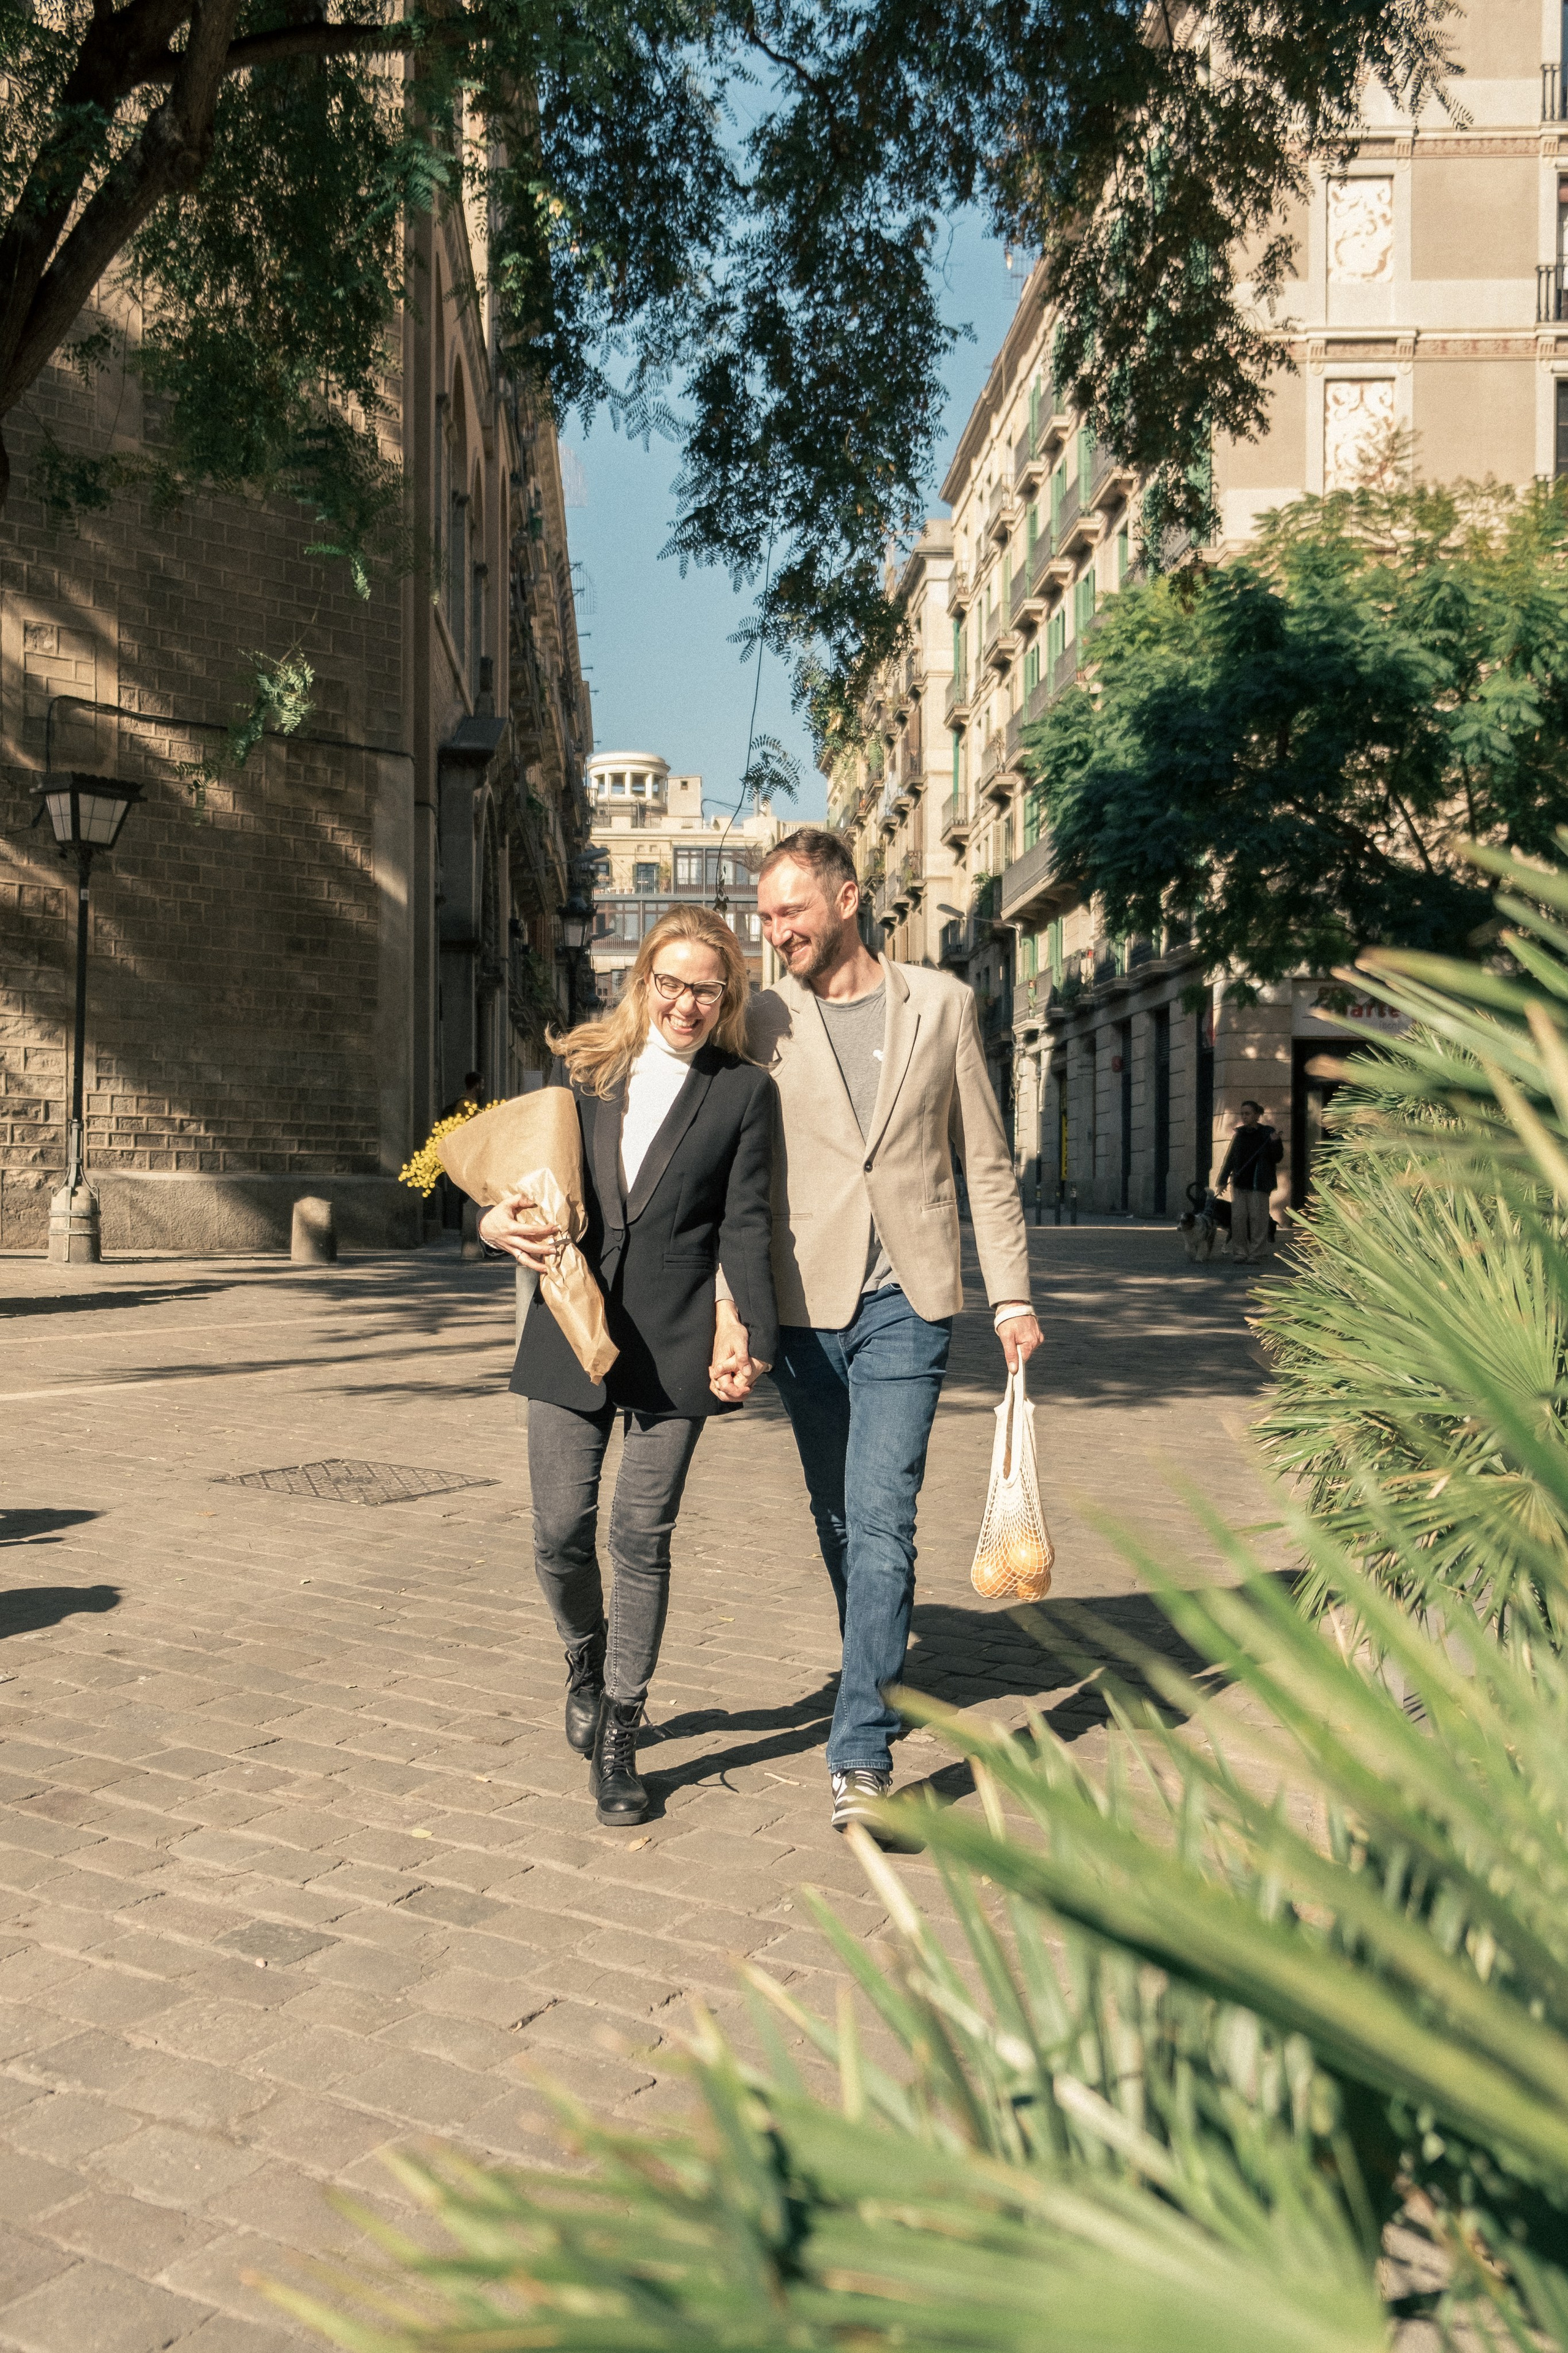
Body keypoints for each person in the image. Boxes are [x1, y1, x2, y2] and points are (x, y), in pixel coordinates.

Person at [739, 828, 1041, 1834]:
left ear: (848, 899)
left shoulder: (942, 1006)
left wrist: (1012, 1297)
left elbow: (985, 1165)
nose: (776, 932)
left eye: (792, 911)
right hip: (798, 1307)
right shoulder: (763, 1017)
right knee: (838, 1521)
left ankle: (859, 1744)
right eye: (767, 915)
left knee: (882, 1521)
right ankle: (879, 1650)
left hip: (908, 1305)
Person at [478, 907, 777, 1827]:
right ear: (643, 980)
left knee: (641, 1539)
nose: (687, 1003)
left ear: (728, 996)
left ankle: (621, 1725)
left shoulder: (742, 1092)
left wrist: (746, 1330)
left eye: (707, 988)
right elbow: (519, 1184)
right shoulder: (587, 1073)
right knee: (559, 1530)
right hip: (571, 1327)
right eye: (672, 983)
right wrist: (491, 1224)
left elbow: (747, 1224)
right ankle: (584, 1651)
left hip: (680, 1339)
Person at [1215, 1100, 1283, 1263]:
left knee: (1258, 1219)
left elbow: (1277, 1157)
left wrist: (1275, 1143)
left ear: (1257, 1115)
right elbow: (1230, 1158)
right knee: (1238, 1219)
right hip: (1239, 1182)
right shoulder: (1239, 1134)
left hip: (1259, 1183)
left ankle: (1256, 1253)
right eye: (1242, 1114)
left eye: (1248, 1114)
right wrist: (1223, 1180)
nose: (1244, 1117)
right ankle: (1240, 1252)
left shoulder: (1268, 1133)